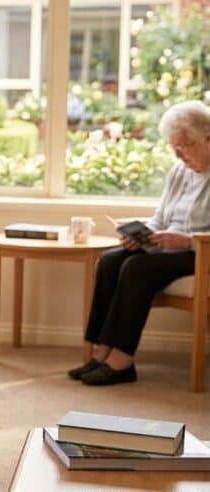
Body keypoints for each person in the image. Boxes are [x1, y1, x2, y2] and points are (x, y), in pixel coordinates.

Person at [69, 100, 210, 386]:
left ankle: (122, 361)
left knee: (137, 267)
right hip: (168, 249)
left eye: (184, 145)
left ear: (208, 138)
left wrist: (187, 241)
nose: (178, 154)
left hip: (200, 252)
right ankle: (101, 352)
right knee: (110, 260)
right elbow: (161, 217)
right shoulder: (179, 172)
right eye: (174, 147)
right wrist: (141, 234)